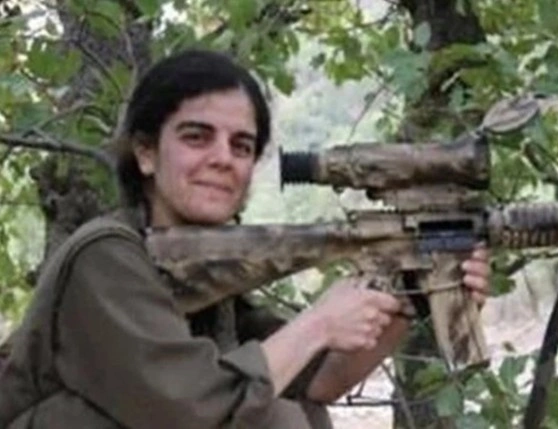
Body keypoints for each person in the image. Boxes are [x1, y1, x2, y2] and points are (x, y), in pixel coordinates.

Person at [0, 49, 489, 428]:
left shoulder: (203, 268)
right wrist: (319, 322)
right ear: (145, 153)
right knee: (273, 417)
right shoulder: (106, 255)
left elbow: (318, 381)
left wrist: (414, 292)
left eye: (241, 146)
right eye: (196, 137)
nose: (223, 159)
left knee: (294, 407)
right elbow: (188, 408)